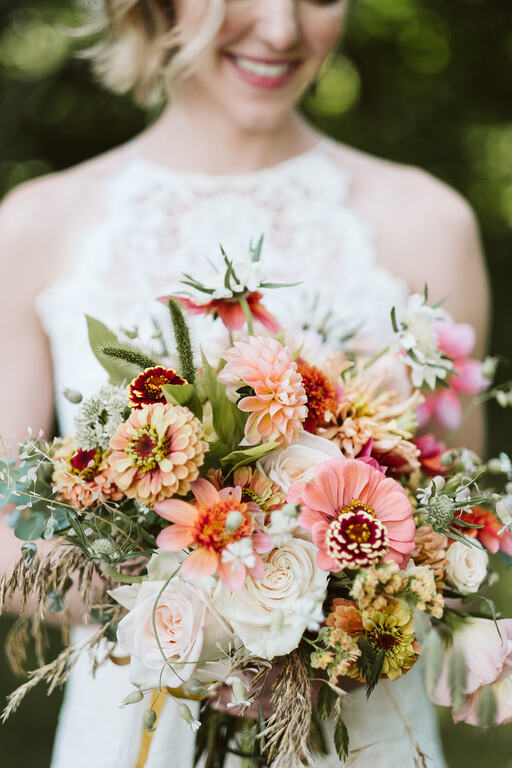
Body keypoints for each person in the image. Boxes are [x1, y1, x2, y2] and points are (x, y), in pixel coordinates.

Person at [0, 0, 489, 766]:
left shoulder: (429, 222)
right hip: (135, 730)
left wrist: (324, 608)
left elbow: (456, 539)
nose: (283, 28)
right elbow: (6, 539)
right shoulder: (35, 226)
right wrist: (207, 611)